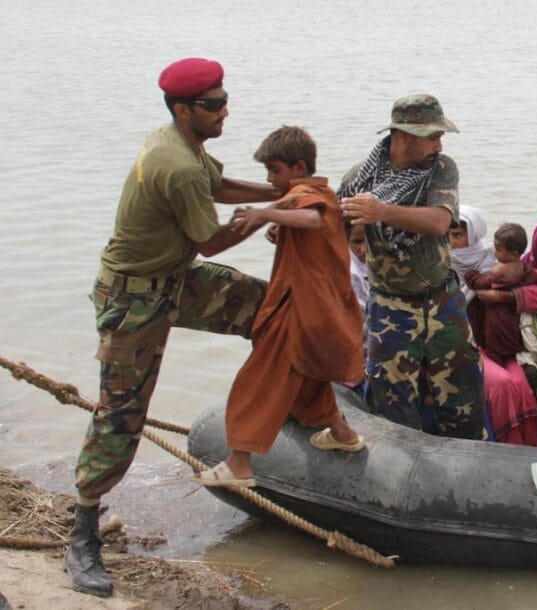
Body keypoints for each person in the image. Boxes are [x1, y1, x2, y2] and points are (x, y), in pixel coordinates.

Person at [66, 57, 278, 597]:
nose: (224, 111)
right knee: (120, 414)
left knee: (265, 306)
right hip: (133, 301)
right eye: (213, 105)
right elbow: (211, 238)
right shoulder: (176, 164)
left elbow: (221, 187)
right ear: (183, 111)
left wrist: (277, 195)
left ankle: (273, 418)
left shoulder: (186, 146)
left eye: (225, 99)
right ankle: (83, 532)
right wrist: (270, 218)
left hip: (174, 278)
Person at [193, 126, 367, 487]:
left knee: (257, 381)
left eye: (275, 171)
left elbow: (312, 218)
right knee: (307, 379)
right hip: (317, 310)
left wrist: (264, 216)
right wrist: (279, 225)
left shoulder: (308, 193)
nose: (271, 180)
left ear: (298, 166)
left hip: (300, 311)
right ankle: (343, 434)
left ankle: (239, 465)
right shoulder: (315, 192)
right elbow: (310, 230)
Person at [339, 93, 484, 439]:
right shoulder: (359, 179)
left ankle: (469, 458)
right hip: (390, 304)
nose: (439, 144)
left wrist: (382, 212)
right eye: (432, 136)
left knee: (462, 387)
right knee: (391, 396)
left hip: (441, 299)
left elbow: (438, 222)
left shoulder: (442, 169)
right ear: (403, 136)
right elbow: (333, 225)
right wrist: (286, 228)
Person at [466, 223, 537, 445]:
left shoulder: (497, 269)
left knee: (510, 374)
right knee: (507, 378)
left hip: (493, 337)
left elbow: (480, 283)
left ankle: (510, 442)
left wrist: (471, 275)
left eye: (498, 249)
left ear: (512, 253)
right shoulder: (525, 269)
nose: (494, 253)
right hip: (504, 338)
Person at [449, 206, 496, 304]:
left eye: (457, 235)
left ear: (472, 236)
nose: (450, 241)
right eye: (446, 234)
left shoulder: (490, 259)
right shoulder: (441, 260)